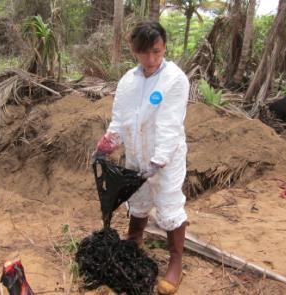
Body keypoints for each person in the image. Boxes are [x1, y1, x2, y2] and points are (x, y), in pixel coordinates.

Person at [93, 21, 189, 295]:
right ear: (134, 51)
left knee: (169, 206)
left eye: (157, 52)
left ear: (164, 47)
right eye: (144, 53)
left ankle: (175, 262)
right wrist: (107, 144)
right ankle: (133, 242)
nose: (151, 59)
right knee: (138, 202)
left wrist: (158, 162)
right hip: (137, 154)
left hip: (166, 158)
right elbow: (120, 121)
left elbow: (170, 126)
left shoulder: (175, 79)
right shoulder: (128, 81)